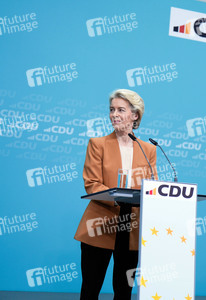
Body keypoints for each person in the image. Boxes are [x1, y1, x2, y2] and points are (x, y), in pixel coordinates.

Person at [74, 89, 157, 300]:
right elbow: (92, 184)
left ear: (135, 115)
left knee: (124, 291)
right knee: (90, 289)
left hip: (132, 227)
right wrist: (119, 196)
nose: (114, 114)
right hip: (101, 223)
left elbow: (153, 187)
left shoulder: (148, 149)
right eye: (112, 110)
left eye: (121, 109)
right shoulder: (98, 144)